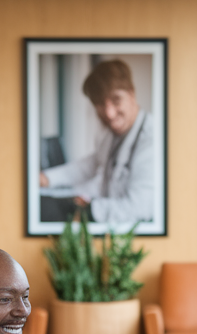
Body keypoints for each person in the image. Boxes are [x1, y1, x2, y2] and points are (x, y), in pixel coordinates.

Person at [39, 59, 155, 225]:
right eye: (100, 104)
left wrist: (90, 208)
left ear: (132, 94)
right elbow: (92, 164)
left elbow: (139, 208)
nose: (109, 113)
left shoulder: (151, 139)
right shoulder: (111, 135)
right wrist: (46, 179)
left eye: (116, 100)